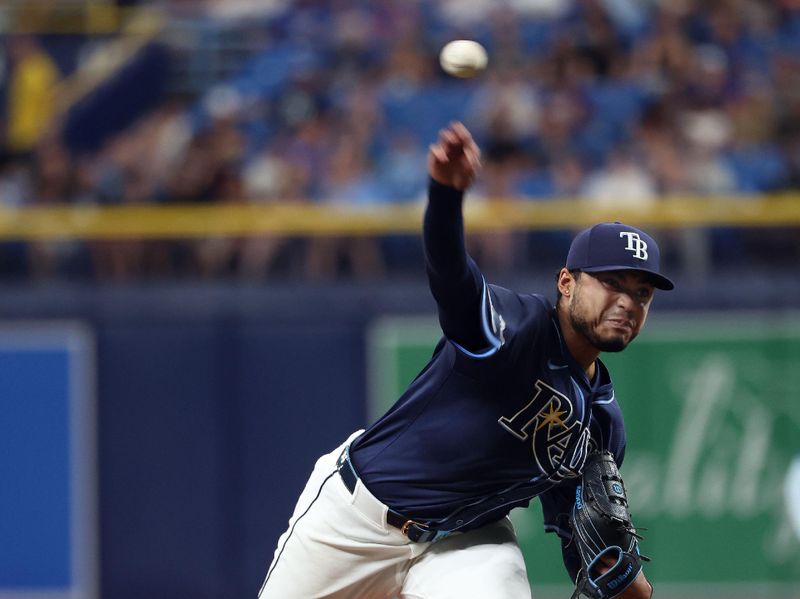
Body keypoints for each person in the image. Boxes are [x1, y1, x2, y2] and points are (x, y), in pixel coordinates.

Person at [258, 122, 671, 599]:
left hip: (466, 544)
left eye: (641, 294)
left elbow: (585, 542)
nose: (627, 302)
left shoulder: (601, 422)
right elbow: (453, 278)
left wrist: (631, 587)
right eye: (612, 283)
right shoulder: (516, 328)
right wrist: (446, 196)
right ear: (566, 283)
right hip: (357, 520)